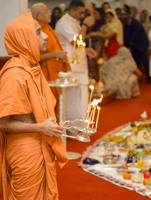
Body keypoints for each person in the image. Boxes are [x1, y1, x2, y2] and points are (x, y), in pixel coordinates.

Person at [0, 12, 67, 199]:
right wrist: (40, 127)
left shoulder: (31, 67)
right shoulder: (15, 74)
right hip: (25, 151)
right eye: (38, 32)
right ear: (24, 38)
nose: (45, 36)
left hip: (38, 143)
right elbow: (1, 122)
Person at [56, 0, 96, 122]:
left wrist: (86, 49)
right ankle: (73, 128)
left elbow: (79, 44)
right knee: (73, 99)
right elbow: (76, 42)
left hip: (78, 65)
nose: (82, 15)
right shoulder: (64, 23)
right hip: (71, 67)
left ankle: (81, 125)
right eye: (80, 12)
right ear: (72, 10)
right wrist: (85, 26)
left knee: (82, 97)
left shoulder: (74, 22)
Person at [31, 3, 71, 121]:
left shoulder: (48, 28)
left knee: (57, 102)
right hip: (44, 73)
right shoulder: (36, 31)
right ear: (38, 15)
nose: (50, 13)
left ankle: (56, 131)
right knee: (48, 104)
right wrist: (55, 54)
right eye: (46, 11)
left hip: (54, 71)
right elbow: (34, 57)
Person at [121, 13, 151, 83]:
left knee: (145, 62)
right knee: (136, 62)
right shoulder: (129, 23)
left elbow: (133, 36)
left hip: (142, 45)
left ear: (127, 19)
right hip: (135, 46)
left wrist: (124, 43)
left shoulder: (136, 24)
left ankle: (150, 78)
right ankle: (138, 77)